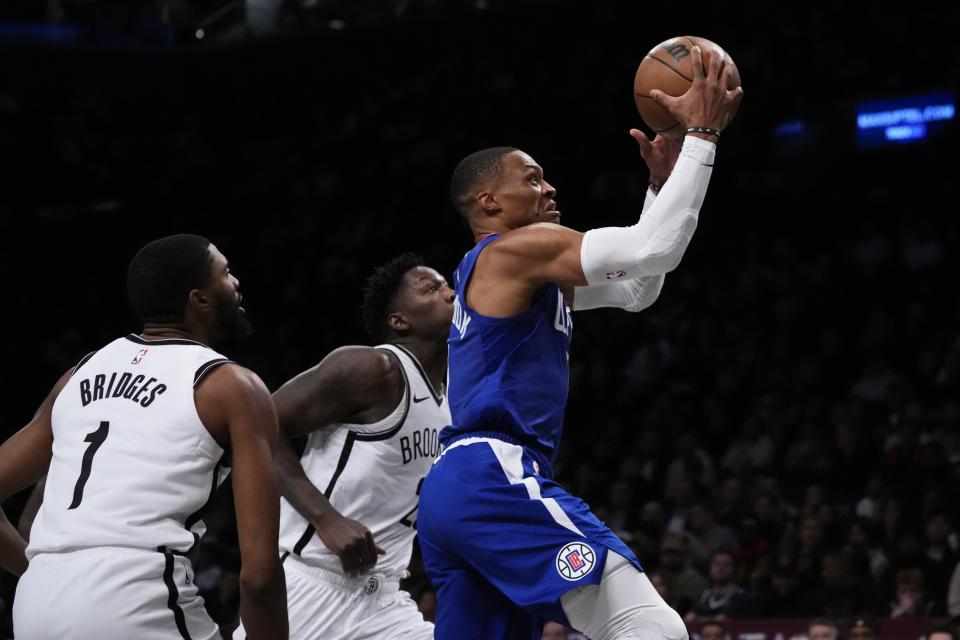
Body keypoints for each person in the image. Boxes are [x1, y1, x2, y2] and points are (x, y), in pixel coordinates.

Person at [417, 45, 742, 640]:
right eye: (532, 178)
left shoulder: (521, 278)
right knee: (653, 629)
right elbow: (654, 248)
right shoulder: (513, 250)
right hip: (496, 472)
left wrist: (660, 185)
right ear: (488, 202)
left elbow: (639, 289)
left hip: (457, 490)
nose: (549, 188)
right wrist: (701, 135)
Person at [0, 234, 287, 639]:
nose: (236, 281)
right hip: (134, 595)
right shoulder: (232, 386)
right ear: (199, 300)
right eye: (225, 273)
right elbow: (259, 577)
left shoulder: (78, 375)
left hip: (35, 605)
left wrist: (38, 571)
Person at [235, 254, 453, 639]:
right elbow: (255, 425)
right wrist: (325, 518)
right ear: (399, 321)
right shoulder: (372, 369)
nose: (451, 293)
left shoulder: (454, 393)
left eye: (447, 285)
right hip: (310, 587)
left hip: (383, 599)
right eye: (432, 289)